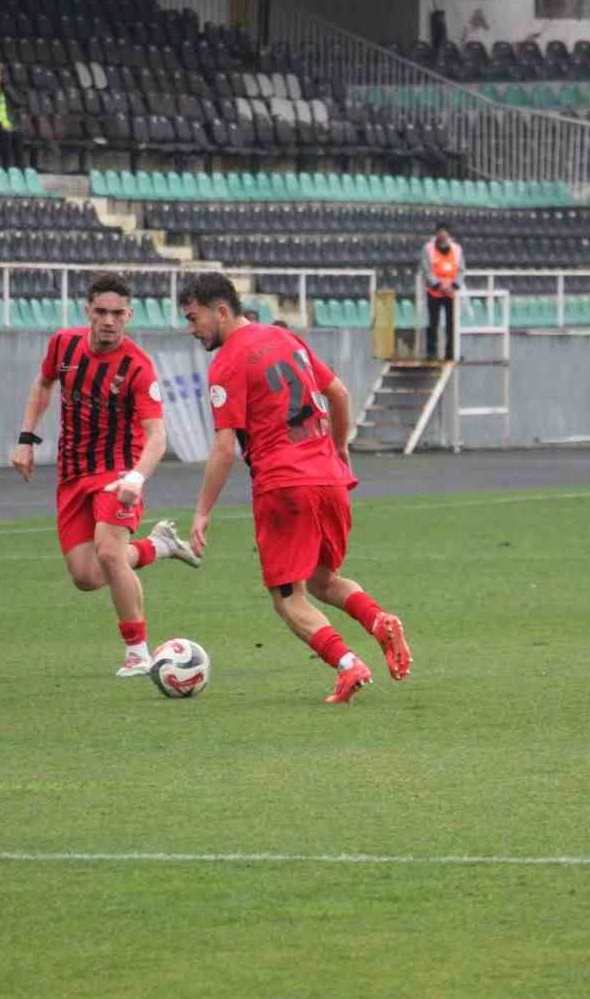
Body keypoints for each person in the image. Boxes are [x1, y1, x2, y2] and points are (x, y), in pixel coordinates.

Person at [181, 272, 412, 705]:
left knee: (287, 598)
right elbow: (338, 393)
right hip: (329, 479)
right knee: (324, 580)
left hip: (284, 485)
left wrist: (202, 512)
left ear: (221, 310)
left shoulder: (227, 363)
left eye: (194, 319)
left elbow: (225, 448)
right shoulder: (286, 338)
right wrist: (339, 448)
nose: (191, 329)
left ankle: (347, 664)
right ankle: (378, 620)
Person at [11, 272, 202, 676]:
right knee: (85, 576)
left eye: (118, 313)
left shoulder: (137, 367)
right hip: (72, 472)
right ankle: (158, 546)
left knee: (111, 553)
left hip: (118, 471)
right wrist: (26, 437)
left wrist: (136, 478)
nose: (109, 321)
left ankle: (139, 653)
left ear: (129, 315)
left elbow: (157, 436)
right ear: (88, 312)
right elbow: (43, 384)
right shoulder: (63, 344)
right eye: (101, 311)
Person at [421, 221, 464, 360]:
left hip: (451, 293)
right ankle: (431, 352)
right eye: (440, 232)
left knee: (452, 323)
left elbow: (461, 270)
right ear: (436, 234)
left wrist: (454, 286)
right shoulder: (428, 249)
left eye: (445, 233)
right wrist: (438, 285)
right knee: (433, 322)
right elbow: (426, 270)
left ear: (448, 234)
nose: (442, 236)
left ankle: (451, 352)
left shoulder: (457, 249)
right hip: (434, 292)